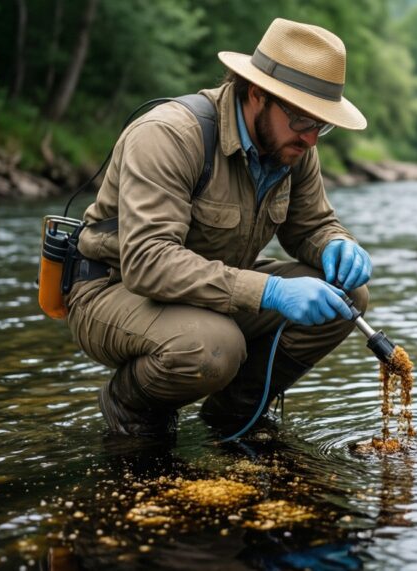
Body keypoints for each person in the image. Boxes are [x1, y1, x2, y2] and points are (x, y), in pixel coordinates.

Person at [65, 19, 373, 437]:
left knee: (347, 299)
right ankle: (131, 408)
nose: (312, 139)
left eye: (322, 124)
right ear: (258, 94)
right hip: (114, 288)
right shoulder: (169, 135)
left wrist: (336, 243)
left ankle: (233, 416)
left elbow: (312, 226)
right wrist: (270, 291)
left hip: (214, 290)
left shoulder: (294, 146)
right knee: (213, 347)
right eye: (303, 120)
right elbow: (147, 263)